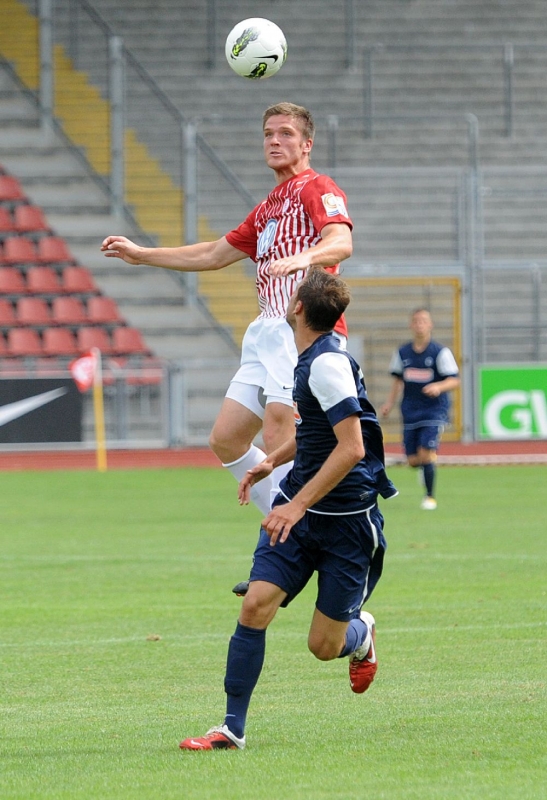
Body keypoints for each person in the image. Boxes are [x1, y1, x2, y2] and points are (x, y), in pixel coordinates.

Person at [101, 102, 353, 529]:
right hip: (266, 329)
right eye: (268, 133)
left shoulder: (317, 187)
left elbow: (341, 241)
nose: (274, 141)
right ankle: (293, 526)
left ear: (307, 144)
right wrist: (143, 255)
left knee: (279, 432)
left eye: (286, 133)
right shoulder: (268, 207)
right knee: (227, 438)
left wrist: (304, 257)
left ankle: (298, 534)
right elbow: (213, 254)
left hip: (303, 331)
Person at [179, 267, 397, 751]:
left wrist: (295, 506)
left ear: (297, 308)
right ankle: (231, 728)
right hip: (299, 514)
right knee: (255, 605)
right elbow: (316, 434)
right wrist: (271, 462)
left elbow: (352, 448)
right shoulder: (307, 359)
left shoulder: (326, 366)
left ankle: (361, 634)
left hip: (346, 525)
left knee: (323, 646)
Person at [380, 308, 460, 510]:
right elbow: (398, 380)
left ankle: (430, 497)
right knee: (414, 460)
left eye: (423, 321)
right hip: (410, 410)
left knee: (426, 454)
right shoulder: (402, 353)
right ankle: (424, 469)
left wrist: (438, 386)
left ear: (430, 325)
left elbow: (454, 380)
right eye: (416, 321)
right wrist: (389, 403)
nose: (419, 325)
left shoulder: (440, 352)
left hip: (434, 410)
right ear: (411, 325)